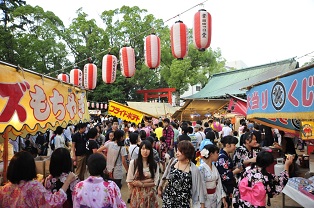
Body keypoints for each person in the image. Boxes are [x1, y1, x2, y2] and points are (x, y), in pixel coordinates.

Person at [0, 151, 76, 207]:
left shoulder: (4, 189)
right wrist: (68, 181)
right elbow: (53, 203)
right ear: (30, 168)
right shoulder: (34, 187)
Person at [158, 140, 205, 208]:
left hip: (183, 202)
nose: (177, 153)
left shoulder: (194, 169)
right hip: (168, 199)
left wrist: (202, 204)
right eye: (177, 151)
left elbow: (199, 188)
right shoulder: (173, 161)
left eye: (180, 151)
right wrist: (160, 187)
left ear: (186, 153)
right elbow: (165, 175)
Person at [126, 140, 159, 208]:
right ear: (140, 150)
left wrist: (141, 184)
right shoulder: (134, 163)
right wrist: (149, 180)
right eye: (143, 148)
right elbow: (130, 181)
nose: (145, 151)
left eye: (147, 149)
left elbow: (155, 182)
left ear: (151, 150)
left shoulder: (154, 164)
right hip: (137, 196)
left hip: (150, 197)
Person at [216, 135, 242, 208]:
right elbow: (224, 176)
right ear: (227, 145)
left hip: (229, 186)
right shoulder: (222, 157)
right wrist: (236, 171)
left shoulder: (226, 155)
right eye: (234, 145)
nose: (235, 147)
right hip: (225, 187)